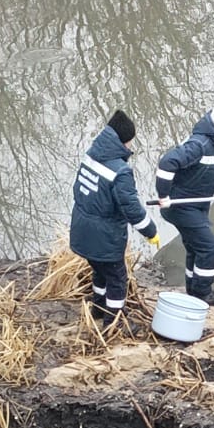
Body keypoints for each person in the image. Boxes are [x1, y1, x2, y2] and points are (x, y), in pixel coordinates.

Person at [69, 109, 160, 325]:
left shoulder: (90, 155)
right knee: (117, 279)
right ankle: (114, 321)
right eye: (130, 142)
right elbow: (132, 209)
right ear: (123, 141)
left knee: (100, 271)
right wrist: (151, 232)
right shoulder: (121, 171)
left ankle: (99, 308)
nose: (130, 146)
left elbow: (78, 189)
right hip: (105, 236)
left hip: (82, 228)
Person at [155, 102, 214, 306]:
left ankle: (194, 288)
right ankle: (202, 294)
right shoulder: (199, 145)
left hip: (197, 207)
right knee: (209, 247)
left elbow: (213, 175)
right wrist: (164, 195)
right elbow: (166, 163)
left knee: (195, 247)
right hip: (181, 207)